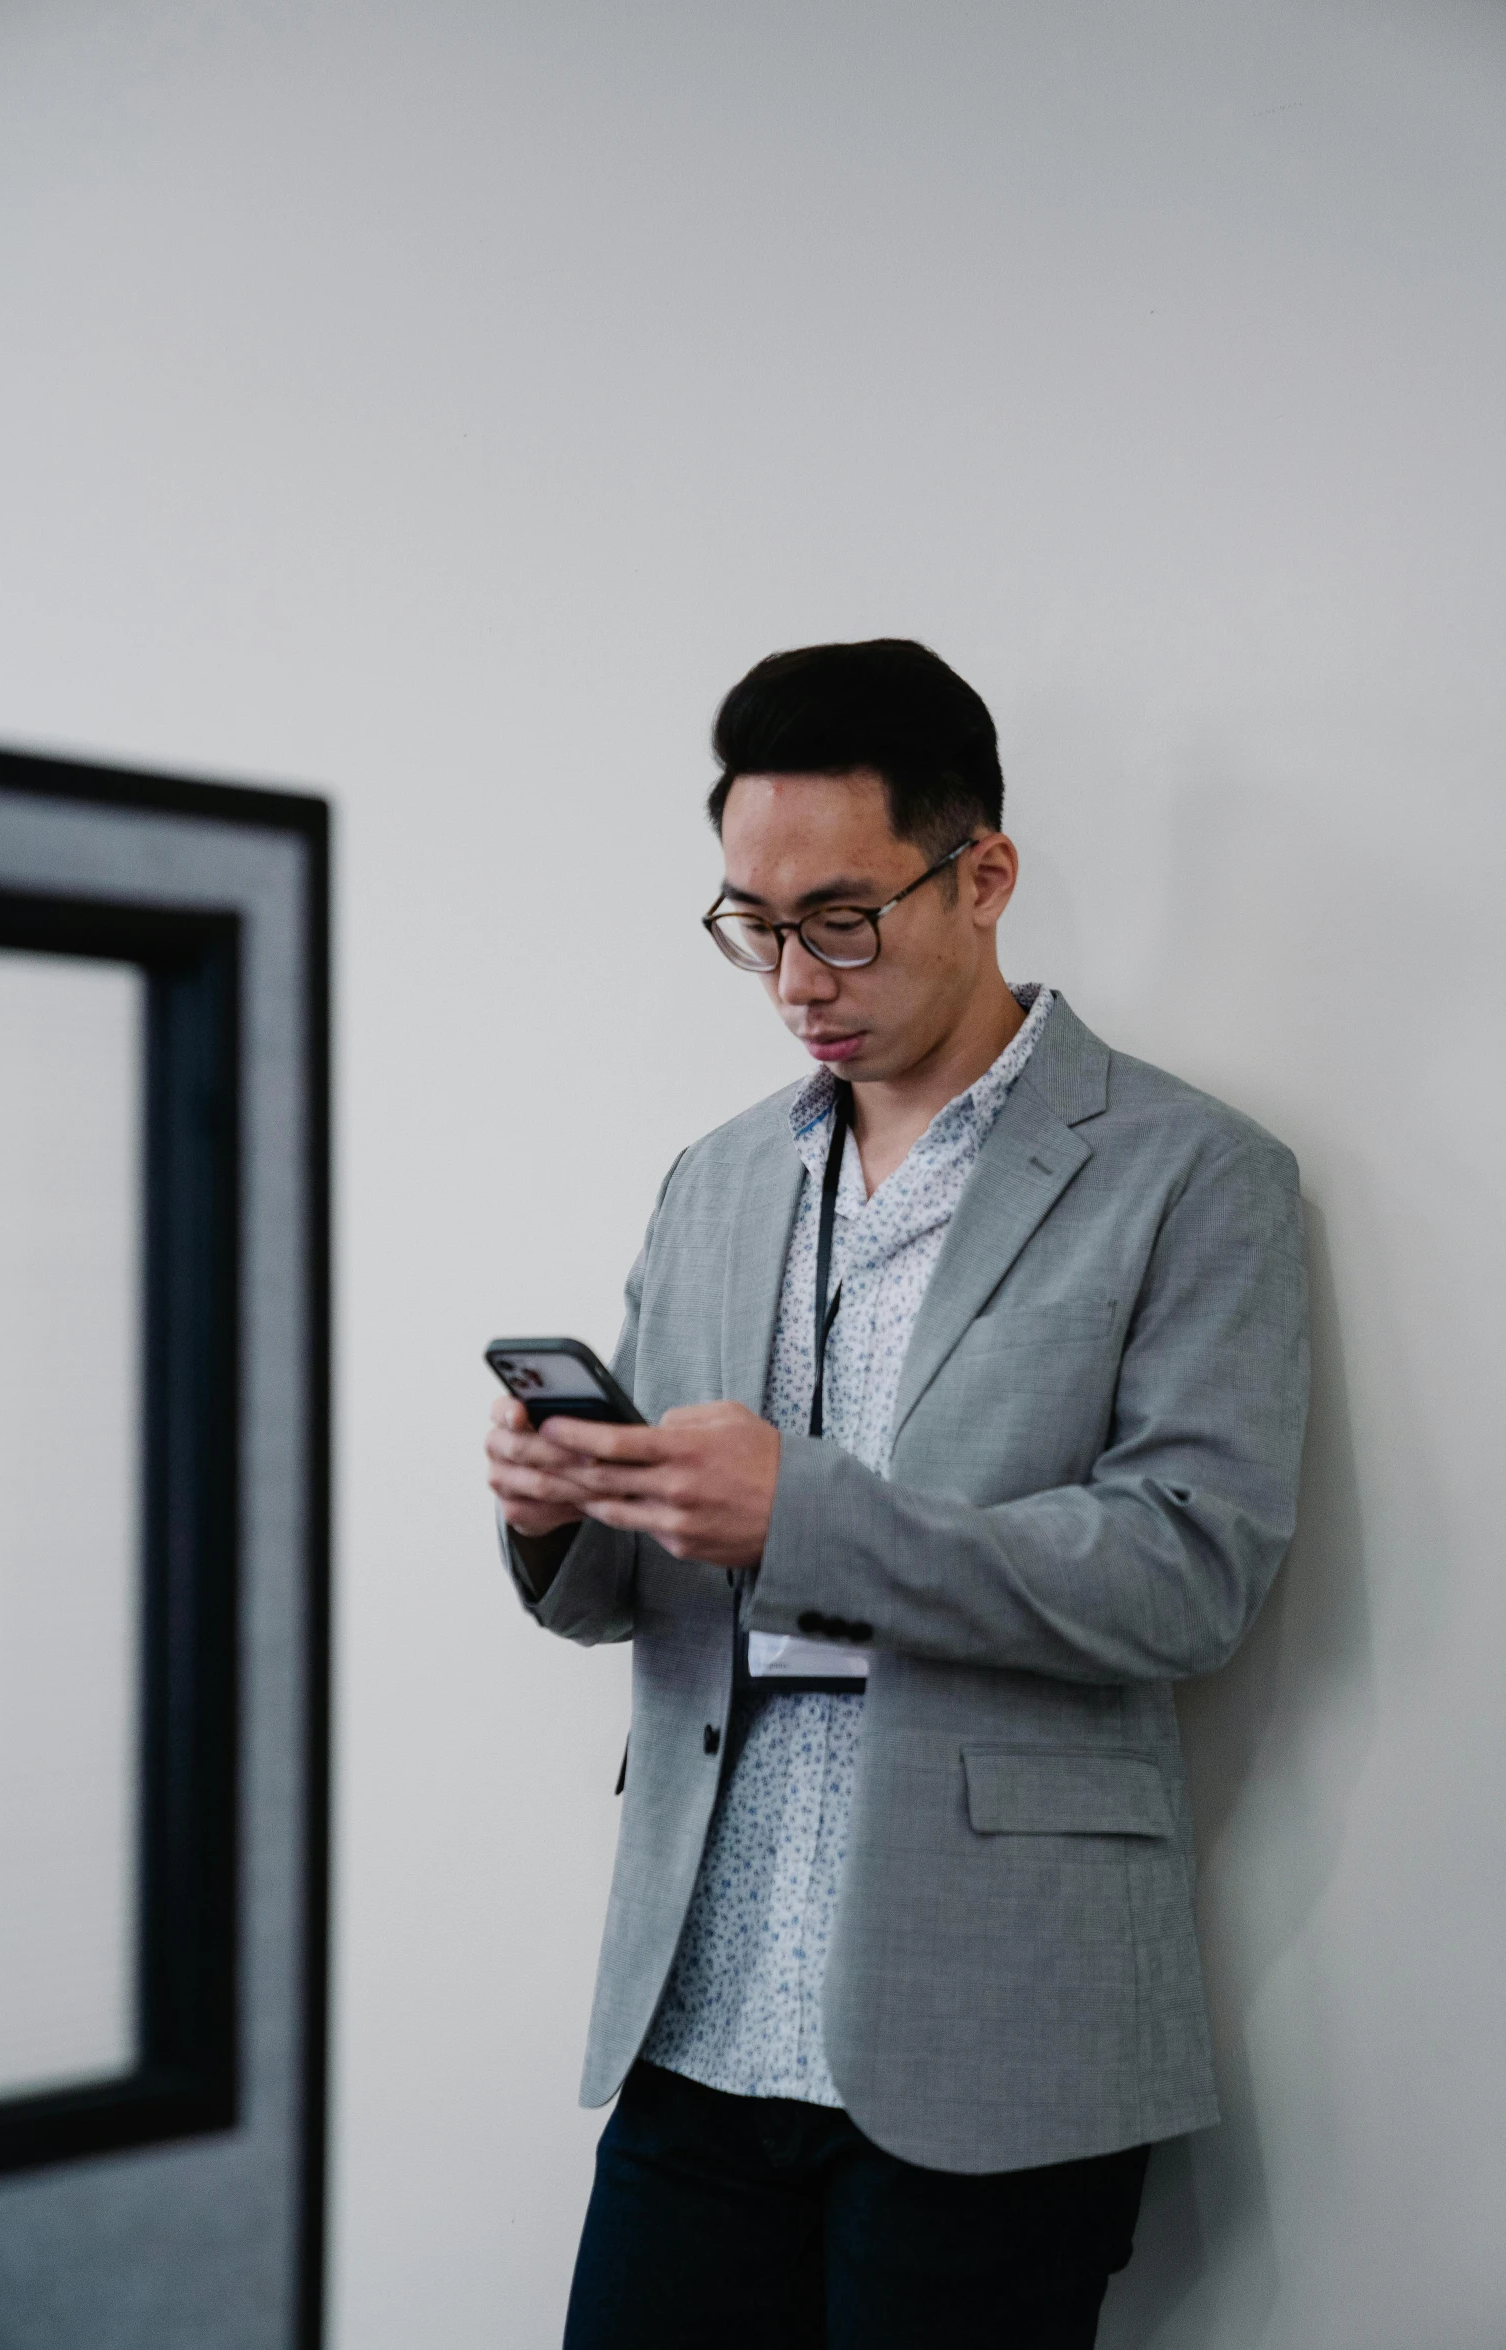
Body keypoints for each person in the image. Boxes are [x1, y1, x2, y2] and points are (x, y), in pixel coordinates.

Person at [485, 638, 1309, 2350]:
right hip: (697, 2009)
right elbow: (647, 1580)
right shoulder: (712, 1177)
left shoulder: (1191, 1174)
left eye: (840, 916)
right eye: (752, 924)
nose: (794, 976)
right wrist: (561, 1508)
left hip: (993, 2032)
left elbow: (1189, 1568)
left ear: (982, 873)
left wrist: (808, 1512)